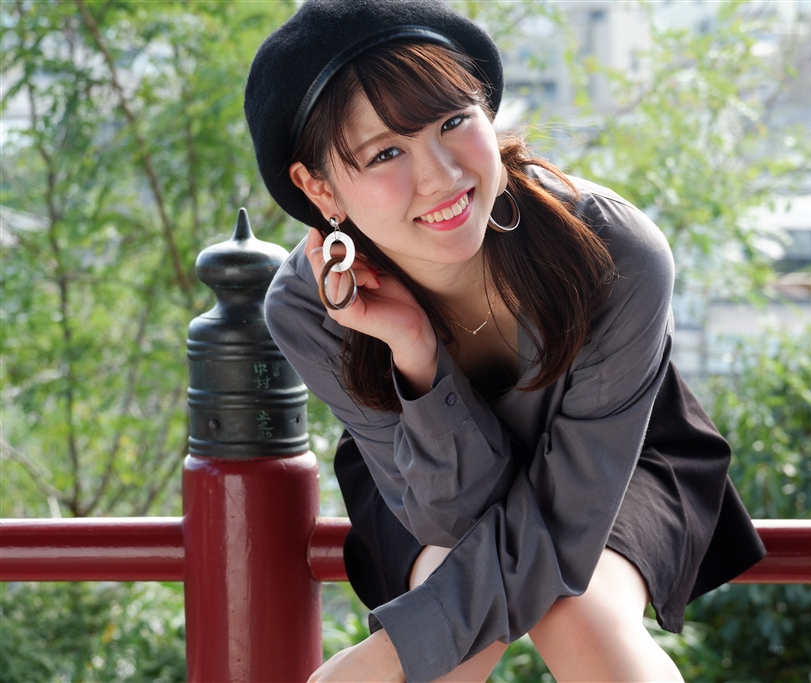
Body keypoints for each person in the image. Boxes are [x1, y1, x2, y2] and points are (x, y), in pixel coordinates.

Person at [245, 1, 766, 681]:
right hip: (417, 471)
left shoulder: (613, 252)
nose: (442, 176)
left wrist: (386, 655)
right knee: (450, 621)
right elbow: (451, 515)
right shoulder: (310, 307)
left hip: (619, 450)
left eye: (452, 121)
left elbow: (564, 521)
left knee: (583, 619)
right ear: (319, 188)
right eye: (386, 152)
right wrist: (415, 351)